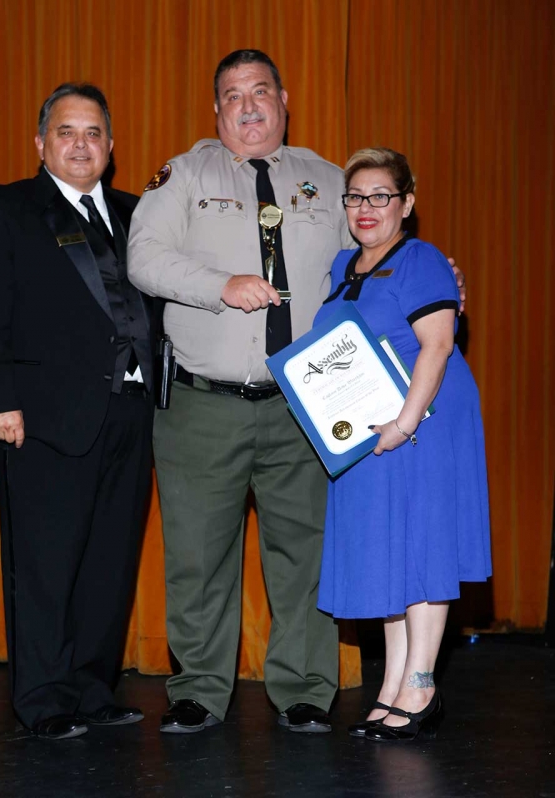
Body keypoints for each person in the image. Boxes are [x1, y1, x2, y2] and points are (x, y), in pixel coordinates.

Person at [128, 50, 465, 734]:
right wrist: (217, 287)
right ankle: (197, 690)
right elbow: (144, 258)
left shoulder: (326, 179)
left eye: (259, 92)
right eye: (231, 95)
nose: (247, 106)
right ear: (215, 108)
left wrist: (436, 273)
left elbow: (379, 251)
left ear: (283, 99)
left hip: (307, 408)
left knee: (306, 551)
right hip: (203, 402)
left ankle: (307, 689)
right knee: (197, 553)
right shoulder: (183, 175)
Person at [0, 83, 159, 740]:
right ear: (41, 143)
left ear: (111, 146)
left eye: (94, 132)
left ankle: (92, 691)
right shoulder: (5, 208)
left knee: (108, 564)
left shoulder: (139, 217)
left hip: (131, 415)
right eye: (66, 131)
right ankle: (42, 699)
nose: (81, 144)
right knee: (44, 566)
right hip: (40, 420)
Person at [315, 147, 491, 742]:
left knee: (423, 549)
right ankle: (391, 687)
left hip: (423, 421)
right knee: (392, 555)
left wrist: (405, 423)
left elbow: (437, 346)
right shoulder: (344, 264)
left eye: (380, 196)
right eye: (356, 197)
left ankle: (421, 684)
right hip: (372, 431)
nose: (367, 208)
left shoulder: (421, 260)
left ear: (406, 204)